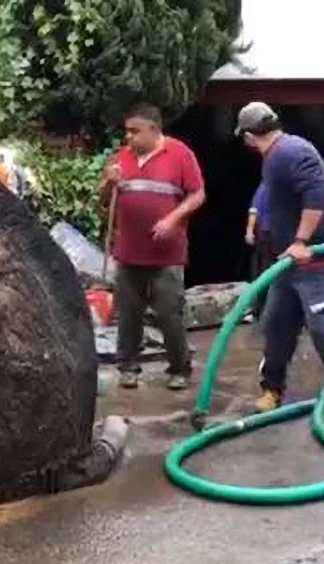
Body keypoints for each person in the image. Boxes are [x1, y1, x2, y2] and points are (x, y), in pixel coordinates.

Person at [236, 102, 324, 438]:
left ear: (250, 136)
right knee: (277, 326)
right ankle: (272, 389)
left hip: (316, 262)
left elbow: (315, 195)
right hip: (289, 264)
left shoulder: (292, 151)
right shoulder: (276, 156)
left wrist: (300, 240)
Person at [99, 103, 206, 391]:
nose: (129, 138)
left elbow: (197, 195)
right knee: (128, 316)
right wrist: (109, 183)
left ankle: (179, 369)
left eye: (135, 131)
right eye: (127, 132)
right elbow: (105, 201)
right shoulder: (121, 158)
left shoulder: (180, 154)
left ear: (154, 130)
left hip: (166, 255)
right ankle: (128, 367)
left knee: (170, 314)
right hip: (129, 252)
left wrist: (172, 219)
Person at [245, 180, 274, 319]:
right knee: (265, 271)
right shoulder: (265, 186)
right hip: (267, 234)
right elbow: (254, 209)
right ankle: (262, 309)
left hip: (286, 235)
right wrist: (250, 230)